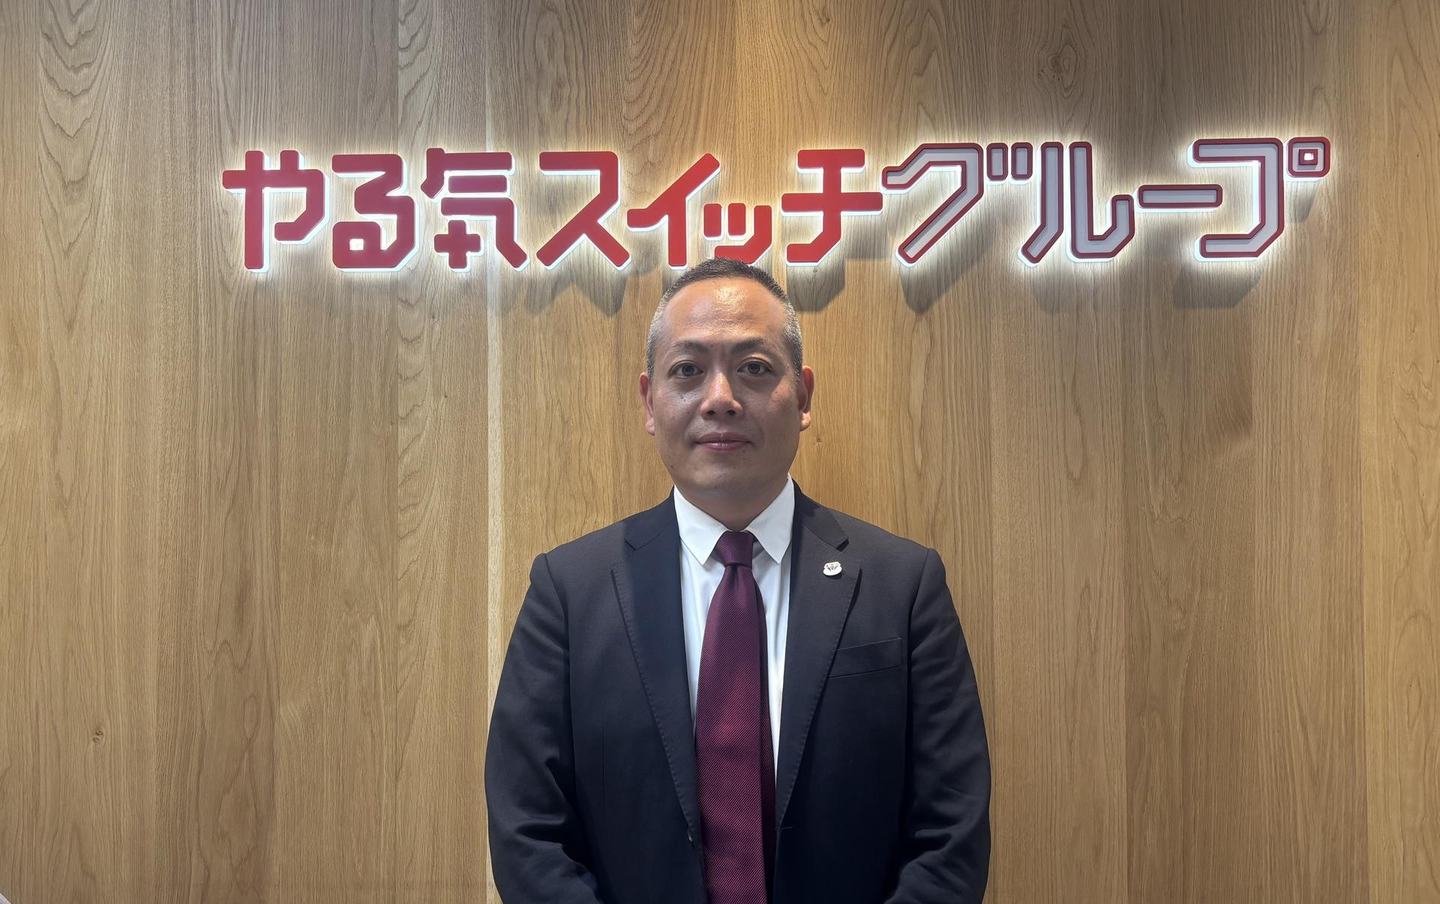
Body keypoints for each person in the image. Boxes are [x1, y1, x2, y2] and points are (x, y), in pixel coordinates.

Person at [485, 257, 990, 904]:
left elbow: (950, 833)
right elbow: (528, 831)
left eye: (753, 368)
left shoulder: (903, 585)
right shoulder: (569, 591)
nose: (720, 397)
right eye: (687, 371)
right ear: (648, 400)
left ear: (802, 397)